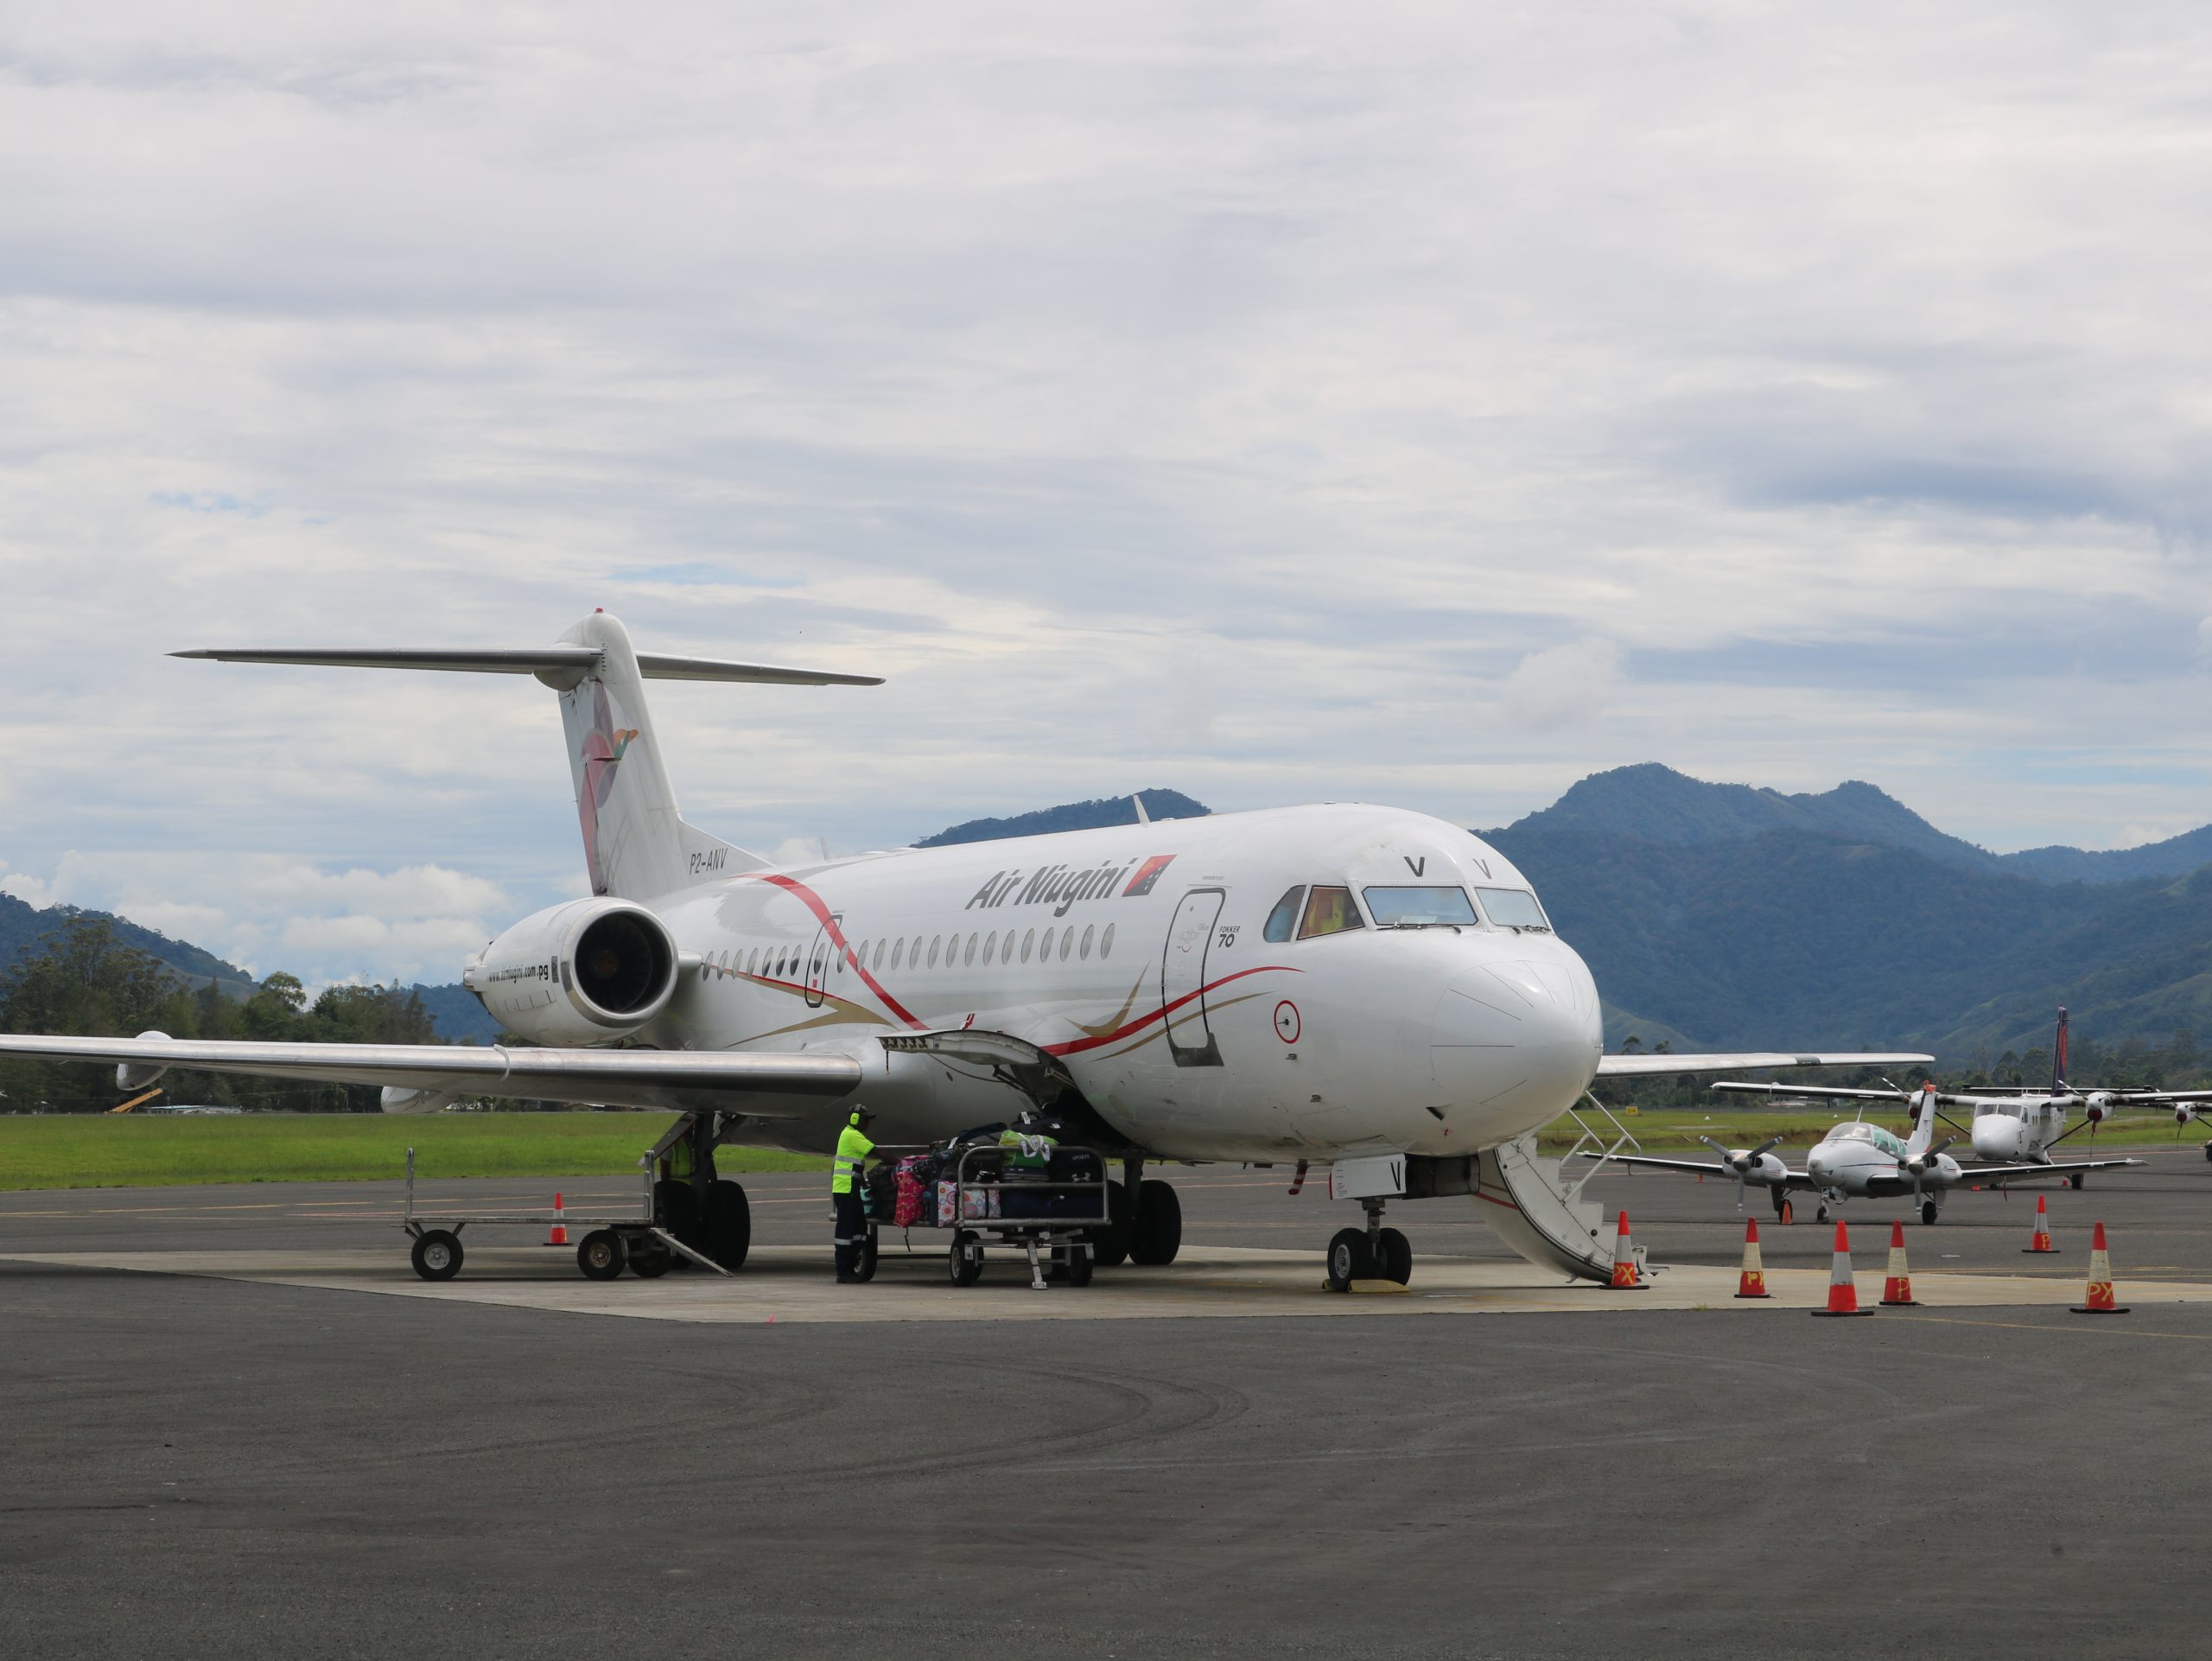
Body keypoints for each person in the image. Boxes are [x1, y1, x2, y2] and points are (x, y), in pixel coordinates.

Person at [831, 1106, 878, 1282]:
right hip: (846, 1190)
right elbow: (875, 1151)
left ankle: (851, 1265)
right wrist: (900, 1162)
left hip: (851, 1189)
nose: (868, 1123)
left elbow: (854, 1164)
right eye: (865, 1119)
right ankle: (843, 1272)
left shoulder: (849, 1133)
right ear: (855, 1119)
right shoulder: (853, 1135)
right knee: (846, 1231)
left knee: (859, 1228)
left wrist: (863, 1182)